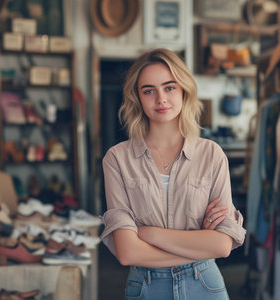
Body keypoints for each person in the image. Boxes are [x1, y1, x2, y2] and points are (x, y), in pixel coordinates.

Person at [100, 48, 246, 300]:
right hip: (145, 286)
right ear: (138, 97)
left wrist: (148, 233)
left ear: (183, 90)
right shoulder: (117, 159)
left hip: (204, 285)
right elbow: (127, 253)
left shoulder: (211, 154)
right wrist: (200, 243)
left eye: (169, 87)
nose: (161, 99)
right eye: (149, 90)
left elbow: (222, 245)